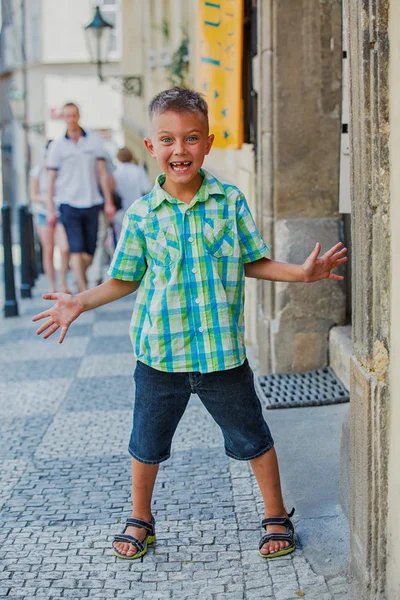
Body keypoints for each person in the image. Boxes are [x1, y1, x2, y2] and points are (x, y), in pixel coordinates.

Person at [33, 87, 347, 562]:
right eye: (168, 140)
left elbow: (253, 261)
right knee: (146, 444)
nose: (180, 150)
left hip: (222, 354)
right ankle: (141, 517)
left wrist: (300, 273)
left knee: (253, 437)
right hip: (160, 354)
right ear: (151, 147)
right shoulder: (141, 216)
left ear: (208, 142)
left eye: (191, 138)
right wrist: (78, 300)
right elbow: (123, 279)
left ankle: (276, 513)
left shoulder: (228, 201)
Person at [46, 102, 115, 292]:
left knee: (90, 252)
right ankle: (83, 291)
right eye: (67, 116)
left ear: (78, 116)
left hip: (92, 201)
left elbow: (102, 173)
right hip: (68, 202)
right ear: (64, 118)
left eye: (73, 115)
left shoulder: (93, 141)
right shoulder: (57, 146)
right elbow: (51, 179)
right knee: (75, 248)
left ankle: (79, 275)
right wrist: (50, 207)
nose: (71, 119)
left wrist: (108, 201)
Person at [30, 140, 70, 293]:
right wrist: (47, 200)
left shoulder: (62, 169)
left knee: (65, 248)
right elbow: (33, 195)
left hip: (60, 212)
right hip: (43, 213)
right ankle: (53, 286)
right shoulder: (37, 171)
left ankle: (63, 282)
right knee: (49, 250)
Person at [112, 147, 152, 240]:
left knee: (122, 238)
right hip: (140, 210)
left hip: (121, 211)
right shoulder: (139, 171)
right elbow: (147, 189)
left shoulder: (116, 174)